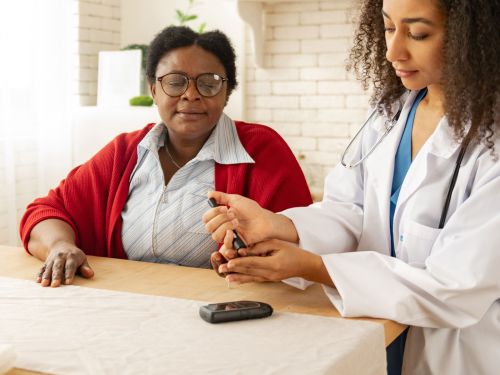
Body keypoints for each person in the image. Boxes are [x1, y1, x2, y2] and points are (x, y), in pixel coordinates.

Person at [203, 0, 500, 374]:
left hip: (454, 353)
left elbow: (456, 288)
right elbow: (349, 209)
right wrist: (276, 227)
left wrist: (312, 267)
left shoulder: (492, 142)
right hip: (373, 333)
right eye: (389, 28)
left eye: (418, 33)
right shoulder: (389, 113)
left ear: (472, 37)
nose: (393, 50)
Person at [19, 26, 312, 288]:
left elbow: (304, 244)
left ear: (227, 92)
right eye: (175, 82)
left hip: (221, 312)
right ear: (153, 90)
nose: (191, 95)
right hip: (132, 305)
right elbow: (45, 212)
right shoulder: (124, 152)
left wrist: (248, 256)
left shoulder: (261, 150)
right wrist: (59, 245)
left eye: (208, 83)